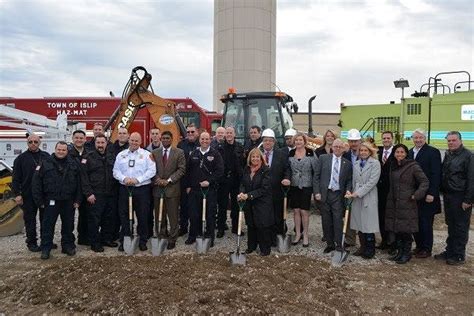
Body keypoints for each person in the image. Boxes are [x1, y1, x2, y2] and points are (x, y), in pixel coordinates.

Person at [32, 141, 82, 260]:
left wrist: (78, 200)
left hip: (68, 200)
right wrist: (39, 201)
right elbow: (36, 183)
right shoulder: (45, 163)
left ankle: (67, 246)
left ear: (67, 151)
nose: (61, 152)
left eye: (63, 150)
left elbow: (79, 183)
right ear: (55, 149)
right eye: (59, 149)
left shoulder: (74, 164)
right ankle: (46, 248)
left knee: (68, 225)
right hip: (51, 200)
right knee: (48, 225)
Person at [385, 144, 429, 264]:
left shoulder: (413, 166)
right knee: (397, 229)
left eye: (402, 152)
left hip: (407, 202)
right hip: (394, 202)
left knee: (406, 230)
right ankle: (400, 252)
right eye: (397, 152)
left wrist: (416, 195)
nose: (399, 154)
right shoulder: (393, 166)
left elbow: (424, 181)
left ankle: (406, 253)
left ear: (406, 154)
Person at [113, 132, 156, 251]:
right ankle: (126, 239)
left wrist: (137, 180)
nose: (134, 143)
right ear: (128, 140)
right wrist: (124, 178)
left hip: (142, 190)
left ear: (140, 142)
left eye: (136, 141)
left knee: (143, 216)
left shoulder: (147, 155)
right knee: (125, 216)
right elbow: (115, 171)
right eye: (132, 140)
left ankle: (143, 241)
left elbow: (152, 171)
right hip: (125, 189)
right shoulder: (121, 155)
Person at [435, 131, 473, 265]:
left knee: (461, 226)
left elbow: (471, 179)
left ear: (460, 140)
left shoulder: (468, 156)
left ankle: (458, 255)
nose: (451, 142)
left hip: (460, 196)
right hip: (448, 195)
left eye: (453, 140)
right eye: (449, 140)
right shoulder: (448, 154)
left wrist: (468, 200)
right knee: (451, 225)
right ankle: (450, 250)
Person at [12, 134, 51, 252]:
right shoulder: (20, 159)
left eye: (35, 141)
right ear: (27, 143)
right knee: (30, 220)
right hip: (27, 194)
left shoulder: (46, 156)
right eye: (30, 142)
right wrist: (17, 194)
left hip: (44, 194)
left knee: (46, 219)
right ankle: (32, 242)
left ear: (39, 143)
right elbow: (15, 178)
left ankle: (46, 241)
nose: (33, 144)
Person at [184, 131, 224, 246]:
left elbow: (220, 171)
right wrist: (188, 186)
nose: (204, 141)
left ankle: (209, 237)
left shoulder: (215, 154)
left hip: (209, 190)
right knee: (194, 214)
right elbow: (188, 171)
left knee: (209, 215)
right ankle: (193, 236)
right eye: (202, 139)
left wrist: (209, 181)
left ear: (210, 140)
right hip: (195, 190)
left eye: (207, 139)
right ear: (199, 140)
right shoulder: (194, 153)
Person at [80, 134, 118, 252]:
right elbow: (83, 177)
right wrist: (88, 193)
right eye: (98, 143)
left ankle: (106, 239)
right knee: (94, 220)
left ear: (106, 143)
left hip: (110, 193)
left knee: (108, 218)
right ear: (95, 144)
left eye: (102, 143)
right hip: (95, 195)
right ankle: (95, 243)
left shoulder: (112, 156)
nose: (100, 145)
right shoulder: (87, 157)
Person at [314, 138, 352, 253]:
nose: (337, 149)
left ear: (343, 149)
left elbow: (349, 180)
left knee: (337, 220)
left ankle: (339, 244)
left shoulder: (347, 164)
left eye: (340, 147)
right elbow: (316, 176)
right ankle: (329, 243)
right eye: (336, 146)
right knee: (326, 220)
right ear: (332, 148)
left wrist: (348, 190)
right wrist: (317, 192)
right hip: (325, 194)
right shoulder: (323, 158)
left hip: (338, 195)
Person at [408, 129, 442, 258]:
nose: (418, 140)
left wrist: (432, 193)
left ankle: (427, 248)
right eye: (415, 138)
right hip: (415, 194)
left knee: (426, 223)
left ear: (425, 138)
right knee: (416, 222)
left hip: (427, 194)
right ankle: (419, 246)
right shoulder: (410, 152)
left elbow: (435, 174)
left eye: (420, 137)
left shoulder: (433, 152)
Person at [345, 142, 381, 259]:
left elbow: (372, 182)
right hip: (356, 195)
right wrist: (350, 192)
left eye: (365, 150)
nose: (363, 153)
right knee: (359, 222)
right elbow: (354, 180)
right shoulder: (355, 164)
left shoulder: (375, 164)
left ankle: (370, 248)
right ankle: (362, 246)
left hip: (368, 196)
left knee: (368, 224)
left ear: (370, 152)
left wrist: (358, 193)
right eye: (361, 151)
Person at [151, 131, 186, 250]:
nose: (165, 140)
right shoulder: (154, 153)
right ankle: (161, 234)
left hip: (172, 189)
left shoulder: (179, 152)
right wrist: (157, 179)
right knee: (159, 214)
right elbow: (150, 168)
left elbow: (181, 169)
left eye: (168, 138)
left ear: (172, 139)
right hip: (158, 188)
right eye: (163, 138)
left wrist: (169, 180)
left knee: (173, 215)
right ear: (161, 139)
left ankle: (172, 238)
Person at [238, 148, 274, 256]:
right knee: (251, 224)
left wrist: (248, 195)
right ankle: (251, 246)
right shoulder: (247, 169)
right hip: (249, 202)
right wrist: (241, 193)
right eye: (253, 157)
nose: (255, 159)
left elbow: (264, 188)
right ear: (250, 158)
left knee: (262, 225)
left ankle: (265, 249)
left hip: (262, 202)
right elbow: (243, 183)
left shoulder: (265, 170)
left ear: (261, 158)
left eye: (257, 157)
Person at [260, 128, 291, 245]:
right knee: (264, 215)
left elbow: (287, 168)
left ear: (274, 142)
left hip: (276, 189)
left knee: (277, 214)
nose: (268, 143)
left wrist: (287, 178)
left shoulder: (281, 154)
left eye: (270, 141)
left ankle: (276, 237)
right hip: (262, 190)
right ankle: (265, 237)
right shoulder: (258, 154)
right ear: (262, 141)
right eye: (265, 140)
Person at [288, 133, 318, 247]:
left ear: (304, 141)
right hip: (294, 185)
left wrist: (316, 188)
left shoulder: (310, 153)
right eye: (296, 140)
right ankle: (297, 234)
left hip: (306, 185)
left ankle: (305, 234)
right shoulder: (291, 153)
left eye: (300, 140)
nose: (298, 142)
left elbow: (316, 170)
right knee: (296, 211)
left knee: (304, 211)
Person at [216, 126, 244, 238]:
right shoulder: (220, 147)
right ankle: (221, 228)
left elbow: (242, 163)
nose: (228, 135)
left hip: (236, 179)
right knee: (222, 205)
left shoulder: (240, 147)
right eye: (227, 133)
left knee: (236, 206)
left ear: (234, 134)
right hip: (223, 180)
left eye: (230, 133)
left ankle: (235, 227)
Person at [106, 127, 129, 241]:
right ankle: (112, 234)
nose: (122, 135)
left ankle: (124, 234)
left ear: (128, 135)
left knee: (125, 211)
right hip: (113, 185)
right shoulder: (110, 148)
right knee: (113, 211)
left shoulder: (132, 147)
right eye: (120, 133)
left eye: (124, 133)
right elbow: (110, 162)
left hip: (126, 185)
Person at [68, 129, 90, 246]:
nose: (79, 140)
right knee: (69, 218)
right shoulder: (68, 153)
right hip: (72, 191)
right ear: (73, 139)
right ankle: (69, 241)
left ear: (85, 139)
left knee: (85, 215)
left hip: (85, 190)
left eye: (81, 138)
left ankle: (83, 238)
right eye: (76, 138)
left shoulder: (89, 153)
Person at [177, 123, 199, 236]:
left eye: (192, 132)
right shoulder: (181, 144)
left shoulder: (201, 144)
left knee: (195, 208)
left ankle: (195, 229)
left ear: (197, 132)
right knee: (183, 205)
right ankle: (183, 227)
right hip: (183, 180)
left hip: (196, 181)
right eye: (188, 132)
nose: (190, 134)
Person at [341, 128, 361, 246]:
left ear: (359, 141)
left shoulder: (365, 153)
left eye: (355, 141)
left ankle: (365, 241)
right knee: (348, 214)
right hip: (349, 187)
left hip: (361, 188)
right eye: (351, 141)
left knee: (362, 215)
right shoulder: (346, 155)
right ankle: (350, 239)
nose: (353, 143)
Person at [376, 131, 395, 250]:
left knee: (391, 217)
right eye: (384, 138)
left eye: (388, 138)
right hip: (379, 190)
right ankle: (384, 241)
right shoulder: (378, 152)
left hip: (392, 190)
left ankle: (392, 243)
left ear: (392, 139)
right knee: (381, 216)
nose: (386, 140)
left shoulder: (397, 152)